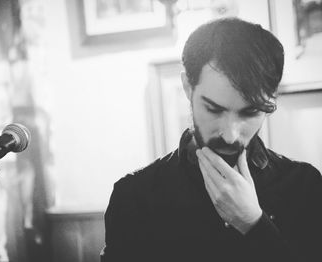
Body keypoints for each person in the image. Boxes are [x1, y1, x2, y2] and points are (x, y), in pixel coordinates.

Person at [101, 18, 322, 262]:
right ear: (187, 87)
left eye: (250, 112)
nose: (230, 135)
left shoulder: (305, 187)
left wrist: (255, 226)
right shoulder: (135, 196)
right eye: (214, 109)